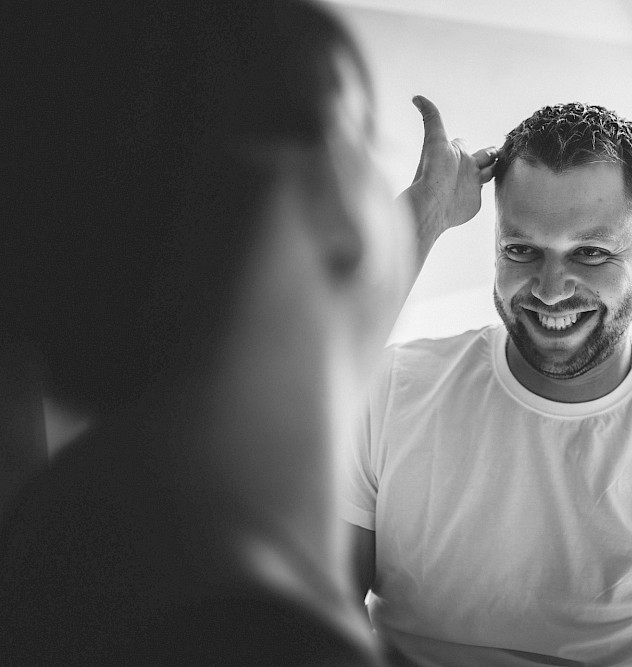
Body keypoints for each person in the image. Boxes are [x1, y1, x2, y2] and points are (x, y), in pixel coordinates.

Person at [0, 1, 494, 664]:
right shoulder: (257, 633)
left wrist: (429, 207)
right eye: (364, 147)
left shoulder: (64, 529)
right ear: (340, 197)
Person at [341, 102, 632, 666]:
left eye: (591, 252)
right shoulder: (391, 389)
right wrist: (426, 211)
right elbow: (310, 611)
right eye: (522, 250)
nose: (551, 290)